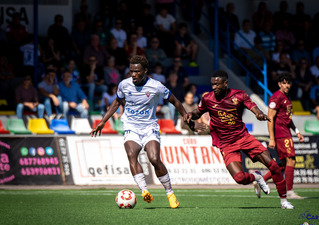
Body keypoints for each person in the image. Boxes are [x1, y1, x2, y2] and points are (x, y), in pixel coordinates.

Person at [90, 55, 191, 208]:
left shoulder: (156, 86)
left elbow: (175, 101)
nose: (134, 75)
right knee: (132, 155)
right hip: (131, 127)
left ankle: (169, 192)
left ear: (145, 71)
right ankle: (144, 190)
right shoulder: (124, 85)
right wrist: (103, 122)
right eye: (131, 71)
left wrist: (184, 115)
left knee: (154, 159)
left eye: (137, 71)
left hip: (149, 127)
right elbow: (117, 101)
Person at [185, 70, 294, 209]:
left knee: (273, 165)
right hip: (226, 143)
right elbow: (197, 112)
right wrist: (189, 114)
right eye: (212, 84)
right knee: (240, 179)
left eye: (217, 84)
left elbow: (253, 107)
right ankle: (257, 177)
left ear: (225, 83)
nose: (214, 87)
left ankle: (284, 201)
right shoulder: (208, 99)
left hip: (243, 137)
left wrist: (259, 114)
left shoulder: (239, 94)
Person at [258, 73, 304, 199]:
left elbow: (288, 118)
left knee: (284, 163)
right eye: (284, 83)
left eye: (288, 83)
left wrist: (297, 131)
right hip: (281, 134)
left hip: (287, 132)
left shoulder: (287, 97)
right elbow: (270, 118)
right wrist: (272, 138)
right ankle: (289, 192)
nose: (287, 85)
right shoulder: (276, 97)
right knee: (291, 161)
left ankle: (261, 180)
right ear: (279, 84)